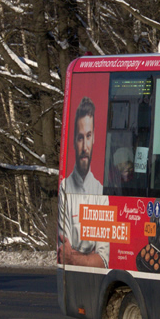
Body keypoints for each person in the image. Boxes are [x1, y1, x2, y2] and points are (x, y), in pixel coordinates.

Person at [58, 96, 107, 268]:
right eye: (80, 138)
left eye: (88, 136)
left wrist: (77, 257)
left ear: (94, 138)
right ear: (73, 141)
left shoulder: (102, 192)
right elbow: (63, 253)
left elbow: (104, 260)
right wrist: (90, 257)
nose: (85, 146)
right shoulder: (65, 188)